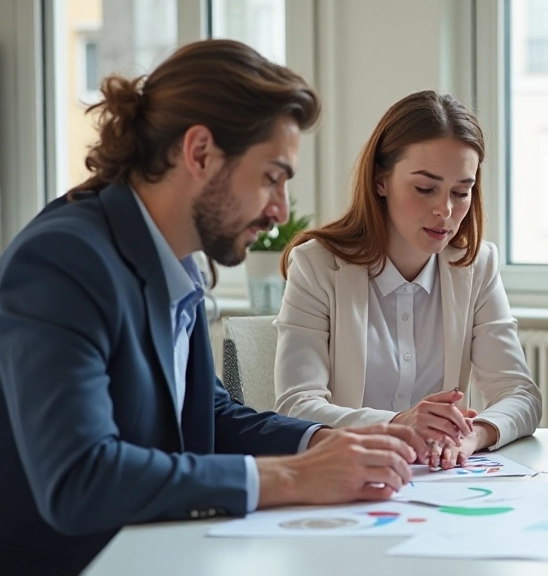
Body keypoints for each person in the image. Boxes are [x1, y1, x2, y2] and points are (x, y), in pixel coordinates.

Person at [0, 40, 426, 576]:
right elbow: (80, 478)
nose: (280, 211)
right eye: (272, 177)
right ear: (199, 152)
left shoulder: (175, 258)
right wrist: (295, 478)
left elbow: (207, 414)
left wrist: (326, 442)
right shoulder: (64, 261)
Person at [274, 90, 541, 470]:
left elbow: (520, 394)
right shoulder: (316, 265)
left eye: (461, 192)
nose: (445, 210)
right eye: (425, 188)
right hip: (348, 477)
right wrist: (398, 425)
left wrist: (475, 433)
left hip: (439, 486)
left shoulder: (476, 265)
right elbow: (296, 406)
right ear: (381, 180)